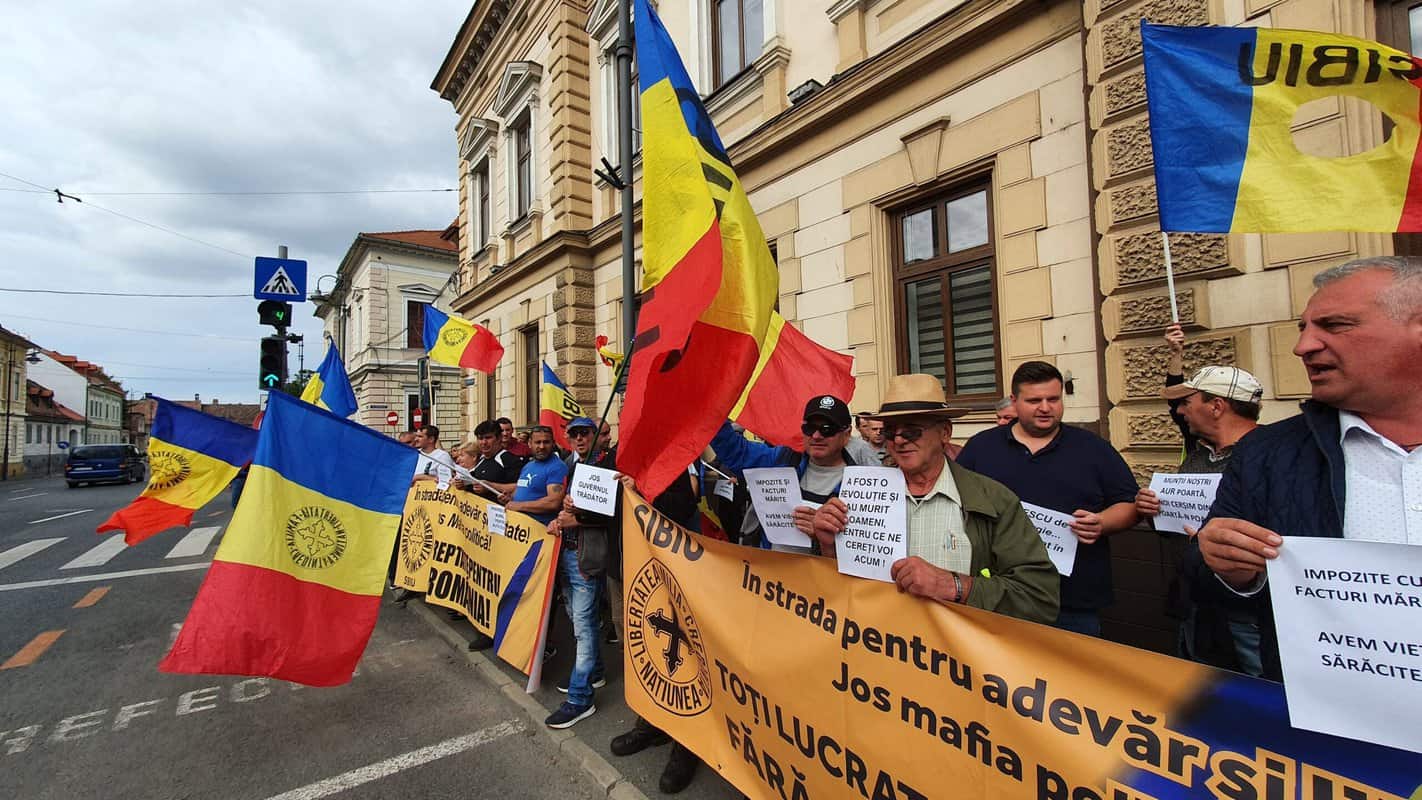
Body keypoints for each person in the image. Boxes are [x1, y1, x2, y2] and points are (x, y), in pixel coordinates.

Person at [1197, 256, 1422, 682]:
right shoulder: (1267, 453)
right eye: (1304, 328)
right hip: (1324, 731)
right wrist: (1231, 571)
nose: (1304, 347)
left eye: (1335, 326)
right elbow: (1211, 589)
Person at [810, 374, 1059, 623]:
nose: (898, 440)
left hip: (957, 656)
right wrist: (828, 546)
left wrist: (954, 586)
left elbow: (1039, 598)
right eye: (890, 432)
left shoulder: (993, 500)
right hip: (878, 647)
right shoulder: (859, 495)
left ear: (945, 434)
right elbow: (834, 592)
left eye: (911, 431)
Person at [957, 361, 1139, 636]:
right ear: (1015, 401)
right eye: (1034, 400)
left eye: (1053, 399)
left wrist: (1102, 522)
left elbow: (1129, 504)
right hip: (999, 595)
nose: (1045, 407)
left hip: (1074, 601)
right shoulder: (981, 447)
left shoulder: (1094, 449)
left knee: (1074, 677)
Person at [1134, 326, 1265, 675]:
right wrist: (1154, 512)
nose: (1180, 411)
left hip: (1246, 617)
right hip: (1194, 604)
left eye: (1188, 403)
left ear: (1217, 406)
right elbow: (1173, 527)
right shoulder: (1197, 450)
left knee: (1257, 703)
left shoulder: (1271, 456)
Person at [710, 395, 859, 553]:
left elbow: (860, 553)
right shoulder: (783, 459)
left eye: (827, 430)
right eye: (809, 428)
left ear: (847, 434)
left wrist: (823, 538)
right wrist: (712, 406)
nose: (816, 436)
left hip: (818, 575)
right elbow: (737, 452)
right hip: (768, 573)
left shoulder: (861, 486)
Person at [457, 420, 521, 501]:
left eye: (488, 438)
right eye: (480, 438)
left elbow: (520, 487)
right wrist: (463, 485)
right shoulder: (480, 460)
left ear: (499, 438)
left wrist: (490, 486)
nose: (484, 442)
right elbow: (474, 484)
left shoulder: (510, 460)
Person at [410, 426, 452, 490]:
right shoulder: (415, 454)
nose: (416, 439)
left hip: (431, 496)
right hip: (413, 496)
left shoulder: (442, 456)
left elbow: (445, 482)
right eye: (416, 436)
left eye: (420, 437)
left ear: (431, 439)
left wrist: (421, 477)